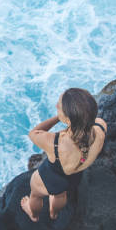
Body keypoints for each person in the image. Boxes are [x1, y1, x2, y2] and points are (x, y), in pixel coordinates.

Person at [20, 88, 107, 221]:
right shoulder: (100, 128)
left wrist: (58, 118)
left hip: (49, 180)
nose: (56, 106)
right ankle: (54, 213)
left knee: (36, 195)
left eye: (59, 107)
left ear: (68, 119)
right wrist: (68, 118)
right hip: (73, 178)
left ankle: (34, 215)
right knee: (60, 195)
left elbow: (33, 133)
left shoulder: (55, 143)